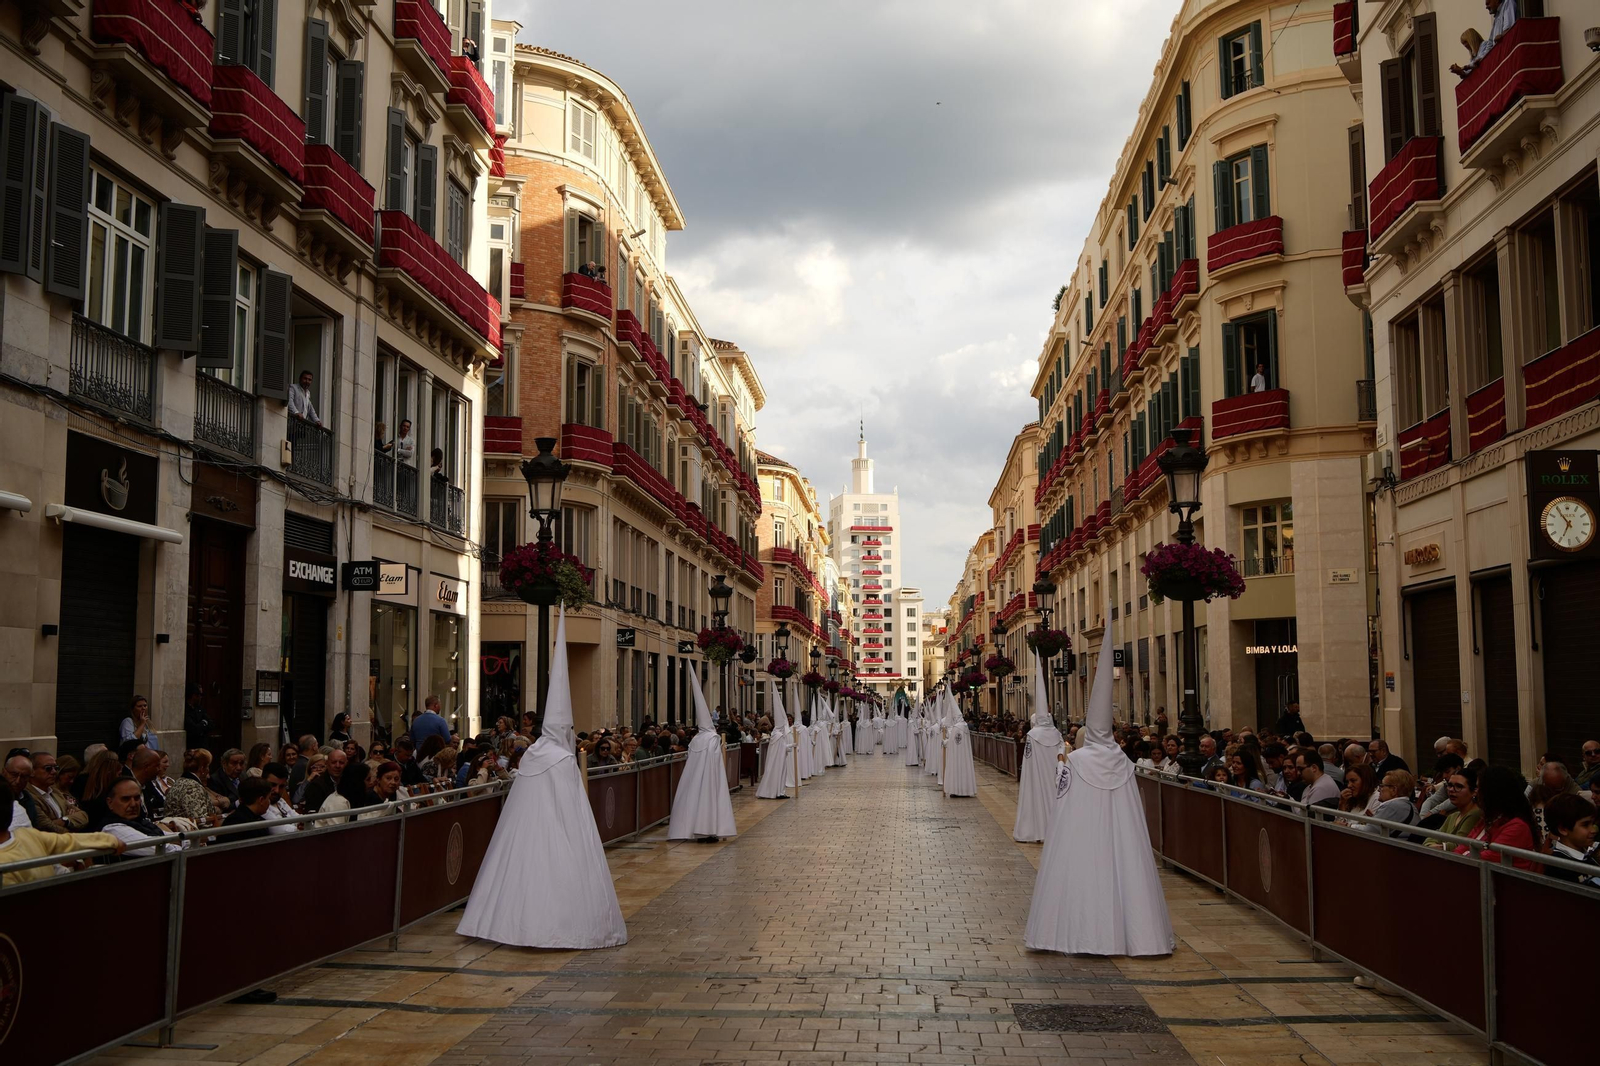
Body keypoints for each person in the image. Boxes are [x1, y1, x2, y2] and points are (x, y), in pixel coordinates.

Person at [457, 607, 627, 948]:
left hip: (522, 831)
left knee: (521, 873)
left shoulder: (533, 754)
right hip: (559, 831)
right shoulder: (562, 758)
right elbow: (571, 805)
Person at [1026, 622, 1173, 957]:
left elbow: (1061, 794)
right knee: (1126, 873)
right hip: (1121, 840)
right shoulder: (1122, 760)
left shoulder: (1078, 759)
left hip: (1084, 835)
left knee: (1087, 875)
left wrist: (1062, 762)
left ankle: (1087, 934)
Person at [0, 779, 124, 886]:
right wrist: (108, 840)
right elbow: (69, 841)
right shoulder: (27, 835)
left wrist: (109, 840)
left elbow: (68, 841)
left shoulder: (27, 836)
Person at [667, 667, 737, 841]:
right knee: (708, 802)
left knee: (693, 800)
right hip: (710, 778)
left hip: (694, 779)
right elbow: (715, 759)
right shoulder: (712, 738)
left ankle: (693, 828)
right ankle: (708, 829)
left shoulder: (696, 739)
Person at [1455, 765, 1539, 871]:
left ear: (1492, 793)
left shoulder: (1518, 827)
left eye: (1479, 788)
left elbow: (1486, 858)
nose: (1476, 793)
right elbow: (1464, 846)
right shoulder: (1488, 819)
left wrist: (1458, 858)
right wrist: (1454, 858)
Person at [1450, 0, 1519, 78]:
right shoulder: (1496, 18)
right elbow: (1490, 44)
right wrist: (1464, 69)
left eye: (1488, 3)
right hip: (1501, 60)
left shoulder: (1508, 3)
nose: (1486, 7)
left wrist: (1502, 36)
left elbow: (1509, 29)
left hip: (1509, 57)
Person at [1544, 794, 1599, 886]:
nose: (1593, 830)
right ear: (1563, 829)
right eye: (1585, 825)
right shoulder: (1559, 867)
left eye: (1592, 824)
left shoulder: (1589, 854)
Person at [1426, 765, 1484, 848]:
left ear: (1474, 792)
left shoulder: (1476, 813)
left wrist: (1440, 847)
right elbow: (1430, 839)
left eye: (1459, 786)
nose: (1451, 790)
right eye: (1450, 785)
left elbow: (1459, 845)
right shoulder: (1452, 816)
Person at [165, 749, 220, 826]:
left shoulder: (180, 782)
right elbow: (199, 821)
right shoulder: (192, 787)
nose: (208, 770)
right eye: (208, 766)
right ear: (202, 768)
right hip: (188, 831)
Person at [221, 777, 275, 842]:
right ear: (261, 800)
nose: (269, 802)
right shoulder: (239, 825)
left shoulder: (233, 819)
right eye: (268, 798)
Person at [182, 682, 210, 752]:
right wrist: (203, 723)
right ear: (194, 695)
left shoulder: (200, 708)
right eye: (200, 695)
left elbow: (211, 723)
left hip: (203, 747)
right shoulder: (185, 710)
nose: (201, 697)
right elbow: (193, 729)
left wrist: (201, 725)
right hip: (192, 747)